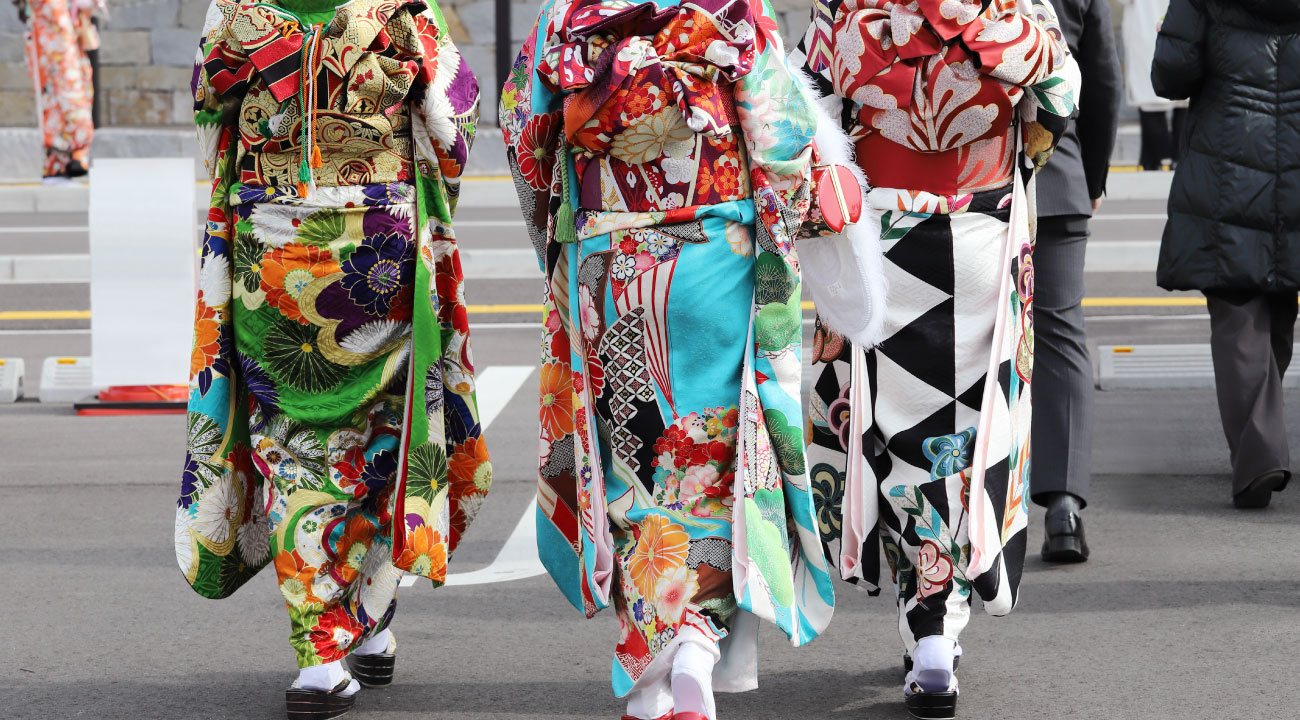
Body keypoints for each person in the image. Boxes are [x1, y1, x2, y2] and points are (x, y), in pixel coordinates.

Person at [500, 1, 838, 717]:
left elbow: (525, 142)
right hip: (718, 253)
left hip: (612, 254)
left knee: (632, 450)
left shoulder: (568, 14)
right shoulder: (731, 8)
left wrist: (562, 250)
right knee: (707, 451)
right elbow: (784, 141)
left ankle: (657, 660)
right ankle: (692, 645)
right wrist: (787, 240)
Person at [177, 1, 490, 718]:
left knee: (292, 444)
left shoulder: (233, 11)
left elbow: (208, 123)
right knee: (383, 432)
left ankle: (330, 647)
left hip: (272, 242)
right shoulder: (403, 9)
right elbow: (452, 127)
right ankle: (360, 625)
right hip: (380, 240)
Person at [793, 1, 1078, 716]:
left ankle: (926, 620)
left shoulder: (849, 6)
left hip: (877, 235)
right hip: (978, 224)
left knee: (889, 432)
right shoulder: (1007, 5)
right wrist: (1015, 152)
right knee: (958, 438)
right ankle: (935, 625)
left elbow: (806, 109)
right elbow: (1058, 98)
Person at [1152, 0, 1300, 509]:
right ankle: (1262, 442)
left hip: (1227, 159)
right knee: (1280, 301)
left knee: (1239, 309)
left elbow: (1171, 74)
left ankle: (1260, 453)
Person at [1032, 0, 1121, 563]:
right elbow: (1103, 75)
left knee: (965, 336)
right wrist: (1091, 174)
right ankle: (1063, 504)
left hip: (969, 186)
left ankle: (963, 503)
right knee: (1061, 334)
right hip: (1055, 176)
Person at [13, 0, 97, 182]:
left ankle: (65, 159)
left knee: (73, 86)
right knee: (64, 90)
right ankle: (62, 158)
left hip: (65, 32)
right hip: (54, 33)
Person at [1119, 0, 1186, 170]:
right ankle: (1178, 158)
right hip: (1182, 26)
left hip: (1146, 27)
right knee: (1183, 96)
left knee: (1150, 97)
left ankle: (1156, 159)